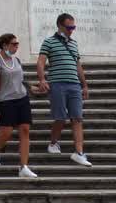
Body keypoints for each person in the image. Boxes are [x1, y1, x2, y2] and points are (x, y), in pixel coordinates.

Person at [37, 13, 92, 167]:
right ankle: (53, 143)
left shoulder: (74, 44)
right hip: (57, 83)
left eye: (73, 27)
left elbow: (78, 66)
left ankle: (79, 152)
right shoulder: (49, 42)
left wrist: (84, 85)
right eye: (69, 27)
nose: (71, 30)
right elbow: (41, 62)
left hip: (74, 84)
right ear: (60, 26)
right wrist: (42, 79)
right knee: (60, 118)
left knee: (77, 118)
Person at [0, 33, 37, 178]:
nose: (17, 46)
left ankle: (23, 166)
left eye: (17, 44)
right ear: (5, 45)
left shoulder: (17, 61)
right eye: (14, 44)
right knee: (7, 131)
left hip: (22, 98)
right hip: (5, 100)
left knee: (25, 130)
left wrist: (32, 87)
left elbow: (21, 80)